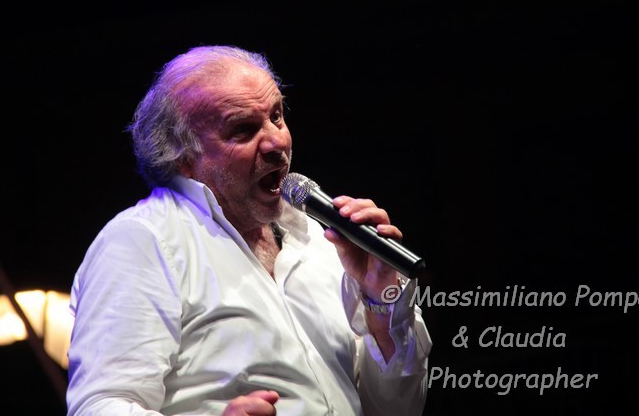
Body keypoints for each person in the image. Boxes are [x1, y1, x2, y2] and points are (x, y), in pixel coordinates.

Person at [65, 45, 432, 415]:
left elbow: (397, 409)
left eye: (276, 116)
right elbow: (97, 405)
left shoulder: (315, 240)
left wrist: (380, 305)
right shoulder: (143, 241)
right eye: (243, 129)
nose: (277, 142)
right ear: (183, 156)